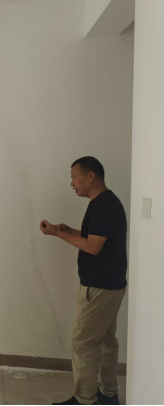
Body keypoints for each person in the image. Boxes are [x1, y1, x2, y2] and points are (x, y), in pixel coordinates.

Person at [40, 157, 128, 406]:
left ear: (90, 176)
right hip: (111, 285)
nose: (71, 183)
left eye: (74, 177)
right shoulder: (106, 202)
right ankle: (109, 395)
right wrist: (68, 230)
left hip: (98, 288)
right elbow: (95, 237)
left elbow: (93, 247)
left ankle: (84, 400)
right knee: (106, 342)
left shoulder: (103, 206)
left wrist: (56, 234)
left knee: (82, 343)